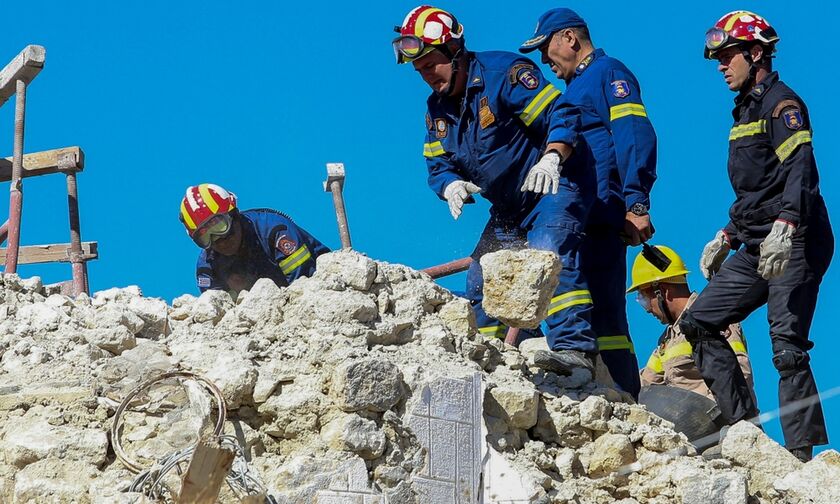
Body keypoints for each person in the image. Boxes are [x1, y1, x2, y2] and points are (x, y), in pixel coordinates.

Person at [394, 5, 600, 376]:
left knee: (548, 254)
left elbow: (562, 114)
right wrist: (450, 184)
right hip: (508, 206)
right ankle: (488, 358)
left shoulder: (503, 74)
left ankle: (574, 353)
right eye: (419, 70)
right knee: (481, 278)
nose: (425, 76)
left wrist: (552, 157)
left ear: (455, 52)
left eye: (430, 65)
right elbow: (437, 164)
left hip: (554, 187)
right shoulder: (436, 110)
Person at [678, 11, 833, 462]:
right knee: (698, 321)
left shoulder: (782, 104)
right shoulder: (744, 109)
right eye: (718, 58)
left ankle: (800, 459)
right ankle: (746, 433)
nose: (721, 65)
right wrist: (727, 234)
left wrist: (786, 224)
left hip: (796, 238)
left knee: (786, 349)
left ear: (756, 52)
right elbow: (758, 188)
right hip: (757, 240)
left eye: (727, 56)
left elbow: (800, 170)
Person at [519, 8, 658, 398]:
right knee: (594, 303)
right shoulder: (575, 88)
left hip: (603, 208)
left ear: (569, 38)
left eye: (546, 49)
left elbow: (633, 133)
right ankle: (609, 394)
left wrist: (637, 202)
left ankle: (623, 395)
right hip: (586, 212)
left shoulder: (607, 73)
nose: (545, 61)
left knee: (598, 302)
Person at [626, 245, 754, 400]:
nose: (647, 309)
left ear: (663, 291)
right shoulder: (667, 342)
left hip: (725, 422)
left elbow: (740, 375)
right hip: (686, 422)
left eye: (645, 299)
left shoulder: (715, 319)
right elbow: (644, 384)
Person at [179, 183, 330, 299]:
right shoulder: (207, 269)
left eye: (219, 225)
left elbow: (305, 287)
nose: (219, 239)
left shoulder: (275, 232)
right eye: (205, 236)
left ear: (235, 214)